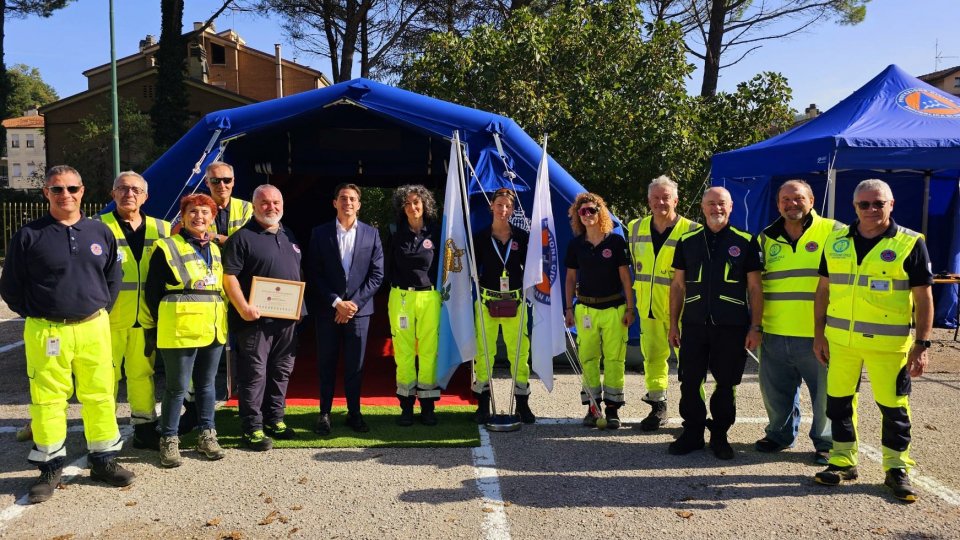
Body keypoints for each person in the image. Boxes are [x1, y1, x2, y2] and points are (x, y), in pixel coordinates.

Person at [0, 165, 133, 504]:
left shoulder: (100, 233)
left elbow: (113, 278)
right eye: (57, 189)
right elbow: (11, 287)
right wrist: (39, 312)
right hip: (47, 331)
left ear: (82, 191)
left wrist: (97, 305)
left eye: (72, 188)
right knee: (47, 400)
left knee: (101, 393)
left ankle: (103, 460)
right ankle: (49, 467)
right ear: (46, 193)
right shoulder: (29, 236)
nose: (65, 195)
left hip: (93, 327)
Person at [813, 179, 933, 503]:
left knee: (894, 408)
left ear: (891, 204)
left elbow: (924, 298)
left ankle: (896, 469)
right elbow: (823, 291)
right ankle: (841, 461)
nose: (871, 210)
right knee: (838, 403)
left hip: (888, 346)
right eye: (864, 204)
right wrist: (817, 334)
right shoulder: (836, 241)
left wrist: (922, 345)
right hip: (840, 342)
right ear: (854, 207)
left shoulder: (910, 243)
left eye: (878, 203)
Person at [667, 187, 763, 460]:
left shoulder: (745, 241)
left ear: (731, 207)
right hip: (694, 324)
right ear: (702, 207)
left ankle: (720, 435)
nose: (716, 208)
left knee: (726, 383)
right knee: (690, 381)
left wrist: (755, 326)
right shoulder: (687, 240)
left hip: (731, 326)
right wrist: (674, 324)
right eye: (711, 204)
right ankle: (693, 433)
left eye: (721, 204)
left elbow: (755, 288)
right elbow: (677, 285)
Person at [755, 180, 840, 465]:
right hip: (775, 331)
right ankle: (780, 435)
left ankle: (826, 443)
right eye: (785, 199)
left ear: (812, 199)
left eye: (798, 198)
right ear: (778, 204)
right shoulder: (765, 238)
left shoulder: (835, 232)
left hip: (819, 334)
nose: (791, 204)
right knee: (775, 392)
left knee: (826, 395)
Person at [145, 194, 229, 468]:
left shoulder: (215, 249)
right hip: (179, 327)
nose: (199, 217)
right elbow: (153, 292)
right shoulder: (167, 247)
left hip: (212, 327)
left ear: (212, 218)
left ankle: (207, 434)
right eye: (193, 211)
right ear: (183, 216)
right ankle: (169, 439)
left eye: (205, 212)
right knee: (176, 388)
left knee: (207, 386)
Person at [222, 185, 304, 451]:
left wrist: (298, 308)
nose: (272, 207)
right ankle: (252, 428)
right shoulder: (242, 238)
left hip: (287, 320)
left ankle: (274, 419)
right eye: (265, 203)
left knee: (281, 371)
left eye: (276, 202)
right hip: (254, 321)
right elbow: (229, 277)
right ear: (255, 206)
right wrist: (243, 306)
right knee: (254, 374)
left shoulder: (288, 234)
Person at [95, 171, 171, 451]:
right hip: (107, 318)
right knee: (107, 376)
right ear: (113, 194)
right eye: (123, 189)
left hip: (146, 317)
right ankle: (105, 429)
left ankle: (144, 427)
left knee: (143, 373)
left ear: (146, 196)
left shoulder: (163, 229)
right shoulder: (97, 227)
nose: (129, 194)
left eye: (136, 190)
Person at [176, 161, 251, 432]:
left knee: (246, 354)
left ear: (234, 180)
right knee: (200, 358)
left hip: (239, 293)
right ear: (206, 182)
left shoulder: (247, 208)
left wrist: (215, 237)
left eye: (227, 180)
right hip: (203, 298)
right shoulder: (195, 207)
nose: (222, 185)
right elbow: (179, 238)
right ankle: (194, 411)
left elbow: (250, 244)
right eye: (216, 181)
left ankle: (248, 410)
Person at [307, 183, 384, 435]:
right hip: (329, 310)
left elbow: (377, 274)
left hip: (359, 312)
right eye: (343, 198)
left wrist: (353, 304)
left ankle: (354, 412)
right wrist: (336, 302)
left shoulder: (372, 234)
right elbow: (314, 273)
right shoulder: (319, 233)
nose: (347, 202)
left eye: (352, 199)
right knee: (326, 363)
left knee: (355, 365)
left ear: (359, 204)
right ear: (335, 203)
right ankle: (324, 413)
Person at [626, 175, 699, 431]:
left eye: (666, 197)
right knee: (653, 358)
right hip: (648, 307)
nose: (660, 202)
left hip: (682, 310)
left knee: (690, 360)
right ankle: (658, 406)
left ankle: (694, 412)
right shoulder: (634, 228)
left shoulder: (692, 230)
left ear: (676, 200)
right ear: (648, 200)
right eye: (656, 198)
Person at [564, 192, 636, 429]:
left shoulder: (615, 241)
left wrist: (630, 307)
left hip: (614, 307)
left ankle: (613, 409)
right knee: (588, 359)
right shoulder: (576, 244)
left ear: (600, 212)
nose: (587, 215)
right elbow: (570, 278)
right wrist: (568, 308)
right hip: (585, 309)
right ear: (578, 215)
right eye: (582, 211)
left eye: (591, 210)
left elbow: (626, 276)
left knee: (615, 360)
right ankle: (593, 408)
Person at [472, 188, 535, 424]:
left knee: (519, 354)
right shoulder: (479, 236)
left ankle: (523, 404)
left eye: (508, 206)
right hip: (488, 300)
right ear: (492, 206)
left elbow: (530, 269)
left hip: (515, 302)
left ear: (513, 209)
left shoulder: (521, 237)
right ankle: (482, 405)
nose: (503, 210)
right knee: (484, 353)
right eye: (499, 205)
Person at [385, 185, 442, 426]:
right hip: (401, 298)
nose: (412, 207)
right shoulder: (395, 232)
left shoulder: (436, 233)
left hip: (429, 297)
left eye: (416, 202)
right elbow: (387, 266)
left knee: (429, 352)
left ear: (425, 204)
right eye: (407, 203)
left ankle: (427, 407)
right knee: (404, 353)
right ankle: (406, 407)